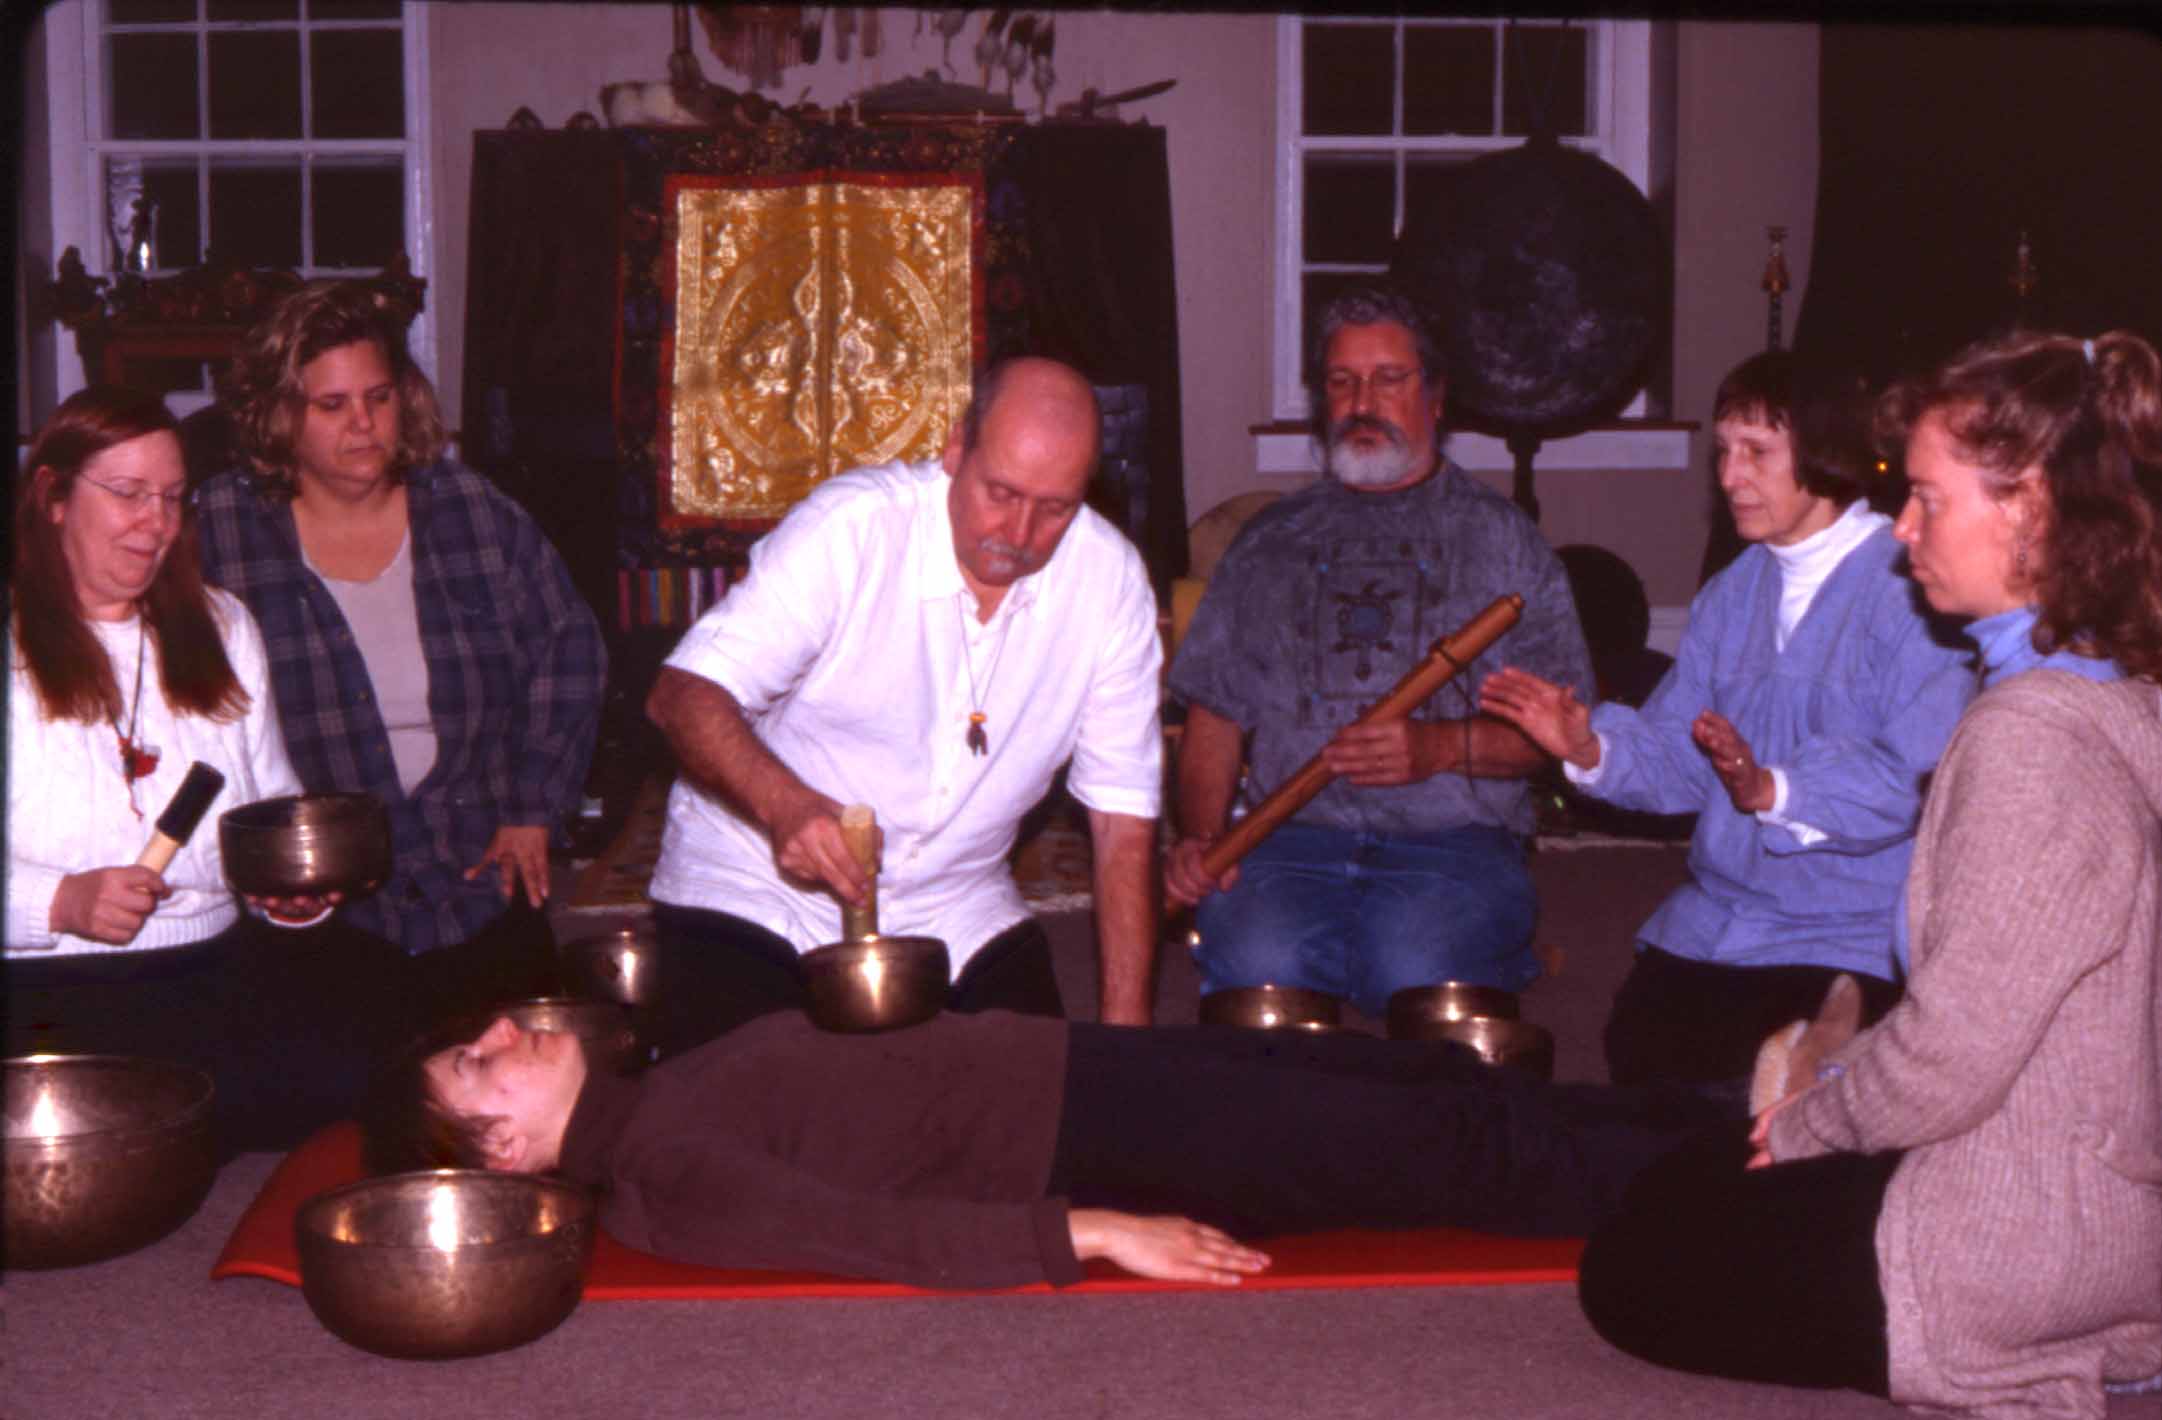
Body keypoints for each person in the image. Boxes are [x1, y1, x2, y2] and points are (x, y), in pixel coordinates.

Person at [1577, 329, 2162, 1418]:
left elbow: (1951, 1053)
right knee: (1695, 1170)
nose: (1901, 529)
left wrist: (1801, 1127)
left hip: (2012, 1244)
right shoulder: (2131, 699)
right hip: (2115, 1217)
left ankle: (2027, 1351)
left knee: (1633, 1256)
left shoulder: (2026, 739)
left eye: (1929, 500)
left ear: (2028, 512)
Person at [362, 1006, 1728, 1292]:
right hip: (1100, 1138)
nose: (500, 1027)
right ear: (500, 1143)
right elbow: (864, 1237)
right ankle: (1746, 1172)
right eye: (476, 1057)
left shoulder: (653, 1086)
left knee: (1414, 1073)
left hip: (1087, 1065)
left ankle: (1753, 1113)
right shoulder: (662, 1180)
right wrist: (1087, 1231)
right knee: (1448, 1153)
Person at [1480, 350, 1973, 1096]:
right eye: (1722, 452)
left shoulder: (1914, 592)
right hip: (1720, 922)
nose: (1728, 476)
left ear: (1824, 452)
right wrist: (1589, 746)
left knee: (1747, 1094)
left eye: (1756, 453)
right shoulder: (1729, 597)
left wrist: (1771, 788)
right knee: (1640, 1054)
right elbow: (1679, 760)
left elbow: (1914, 780)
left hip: (1848, 934)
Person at [644, 357, 1163, 1034]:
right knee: (761, 1093)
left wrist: (1126, 1044)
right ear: (954, 447)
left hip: (956, 901)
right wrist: (784, 805)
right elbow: (681, 695)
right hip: (755, 882)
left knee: (1032, 1095)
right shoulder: (853, 529)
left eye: (1055, 508)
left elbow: (1123, 827)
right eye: (1000, 493)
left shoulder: (1111, 584)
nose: (1019, 535)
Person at [1164, 284, 1593, 1017]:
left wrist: (1438, 749)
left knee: (1412, 961)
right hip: (1289, 839)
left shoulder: (1503, 541)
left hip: (1454, 843)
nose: (1363, 401)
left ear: (1435, 398)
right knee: (1261, 960)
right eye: (1342, 381)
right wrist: (1206, 843)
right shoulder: (1268, 544)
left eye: (1389, 379)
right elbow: (1214, 720)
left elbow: (1564, 740)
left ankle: (1437, 957)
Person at [194, 281, 606, 1023]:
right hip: (319, 907)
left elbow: (567, 651)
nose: (364, 424)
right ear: (279, 416)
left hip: (480, 876)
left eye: (379, 397)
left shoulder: (470, 511)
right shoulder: (220, 529)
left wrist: (533, 807)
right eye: (332, 405)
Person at [6, 387, 391, 1156]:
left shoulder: (224, 626)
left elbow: (270, 807)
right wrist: (59, 901)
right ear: (52, 496)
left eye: (173, 498)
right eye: (127, 495)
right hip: (48, 992)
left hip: (212, 966)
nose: (157, 524)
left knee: (381, 1065)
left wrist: (292, 891)